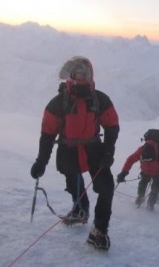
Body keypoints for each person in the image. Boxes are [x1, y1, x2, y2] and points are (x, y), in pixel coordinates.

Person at [30, 56, 119, 251]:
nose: (80, 77)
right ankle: (81, 211)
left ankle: (99, 230)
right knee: (74, 181)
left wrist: (109, 151)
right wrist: (41, 162)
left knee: (106, 188)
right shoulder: (63, 102)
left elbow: (112, 126)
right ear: (70, 75)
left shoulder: (95, 100)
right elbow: (47, 134)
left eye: (84, 73)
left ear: (90, 75)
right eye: (77, 73)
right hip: (75, 149)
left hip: (90, 149)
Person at [116, 129, 159, 211]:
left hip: (158, 173)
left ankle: (150, 204)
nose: (147, 160)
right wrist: (124, 172)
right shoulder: (141, 150)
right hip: (146, 171)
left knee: (155, 188)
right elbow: (130, 159)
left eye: (149, 159)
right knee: (142, 183)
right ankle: (140, 196)